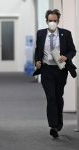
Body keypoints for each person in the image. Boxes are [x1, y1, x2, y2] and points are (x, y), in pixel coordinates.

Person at [33, 9, 76, 138]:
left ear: (58, 21)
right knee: (50, 97)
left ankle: (59, 122)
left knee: (58, 97)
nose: (52, 22)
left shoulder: (66, 34)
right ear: (46, 21)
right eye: (50, 20)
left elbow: (72, 50)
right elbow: (37, 50)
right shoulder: (40, 34)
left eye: (54, 20)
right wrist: (37, 61)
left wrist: (66, 57)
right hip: (46, 70)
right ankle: (53, 126)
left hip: (60, 70)